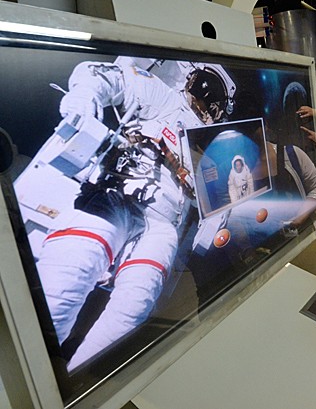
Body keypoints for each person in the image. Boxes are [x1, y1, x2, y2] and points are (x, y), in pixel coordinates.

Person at [28, 56, 234, 371]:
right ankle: (29, 371)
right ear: (192, 81)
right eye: (206, 91)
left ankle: (78, 377)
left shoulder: (212, 149)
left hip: (163, 225)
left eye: (214, 98)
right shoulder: (165, 98)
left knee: (133, 309)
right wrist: (82, 102)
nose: (207, 100)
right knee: (66, 281)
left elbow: (208, 213)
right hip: (121, 194)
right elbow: (105, 76)